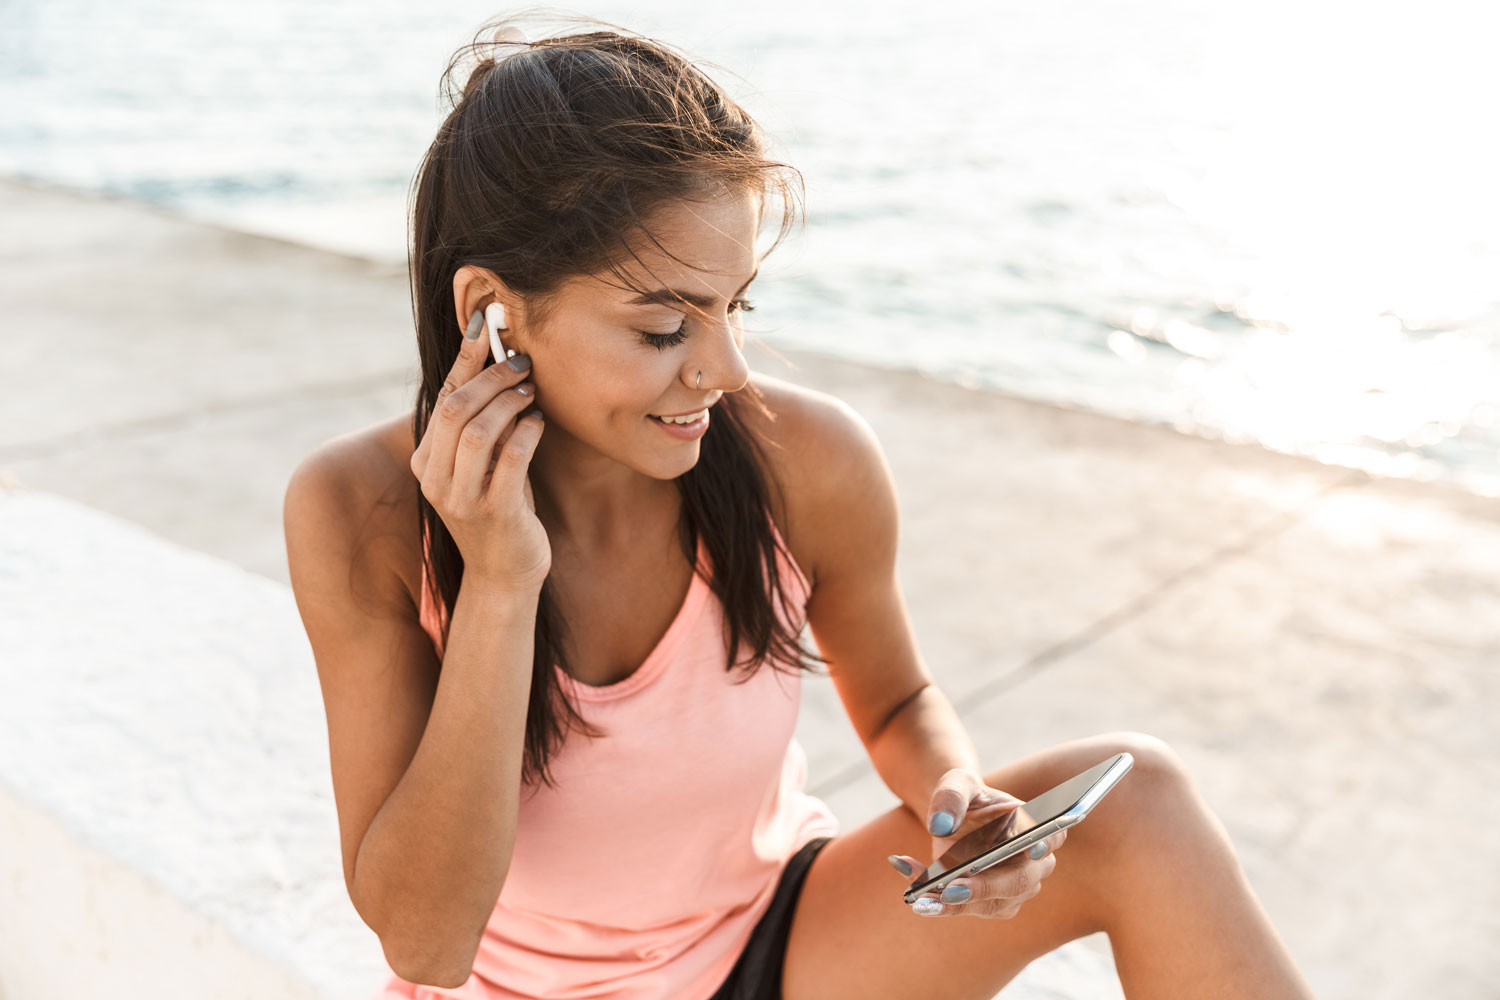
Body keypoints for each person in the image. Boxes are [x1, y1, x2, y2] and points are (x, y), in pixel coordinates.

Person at [282, 15, 1318, 1000]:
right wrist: (502, 578)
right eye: (664, 329)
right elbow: (426, 938)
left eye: (735, 306)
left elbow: (898, 701)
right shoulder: (358, 514)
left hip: (768, 941)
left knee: (1138, 804)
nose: (727, 369)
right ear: (492, 314)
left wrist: (959, 798)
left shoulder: (807, 461)